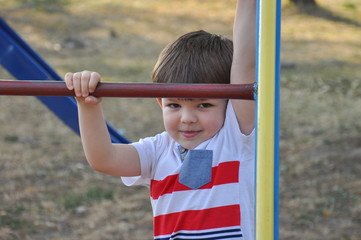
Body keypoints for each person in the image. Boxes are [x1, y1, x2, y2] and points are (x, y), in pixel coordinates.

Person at [65, 0, 256, 239]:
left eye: (204, 105)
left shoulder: (236, 137)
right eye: (174, 105)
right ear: (160, 103)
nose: (187, 118)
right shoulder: (157, 151)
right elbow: (104, 159)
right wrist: (87, 105)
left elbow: (245, 63)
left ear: (230, 104)